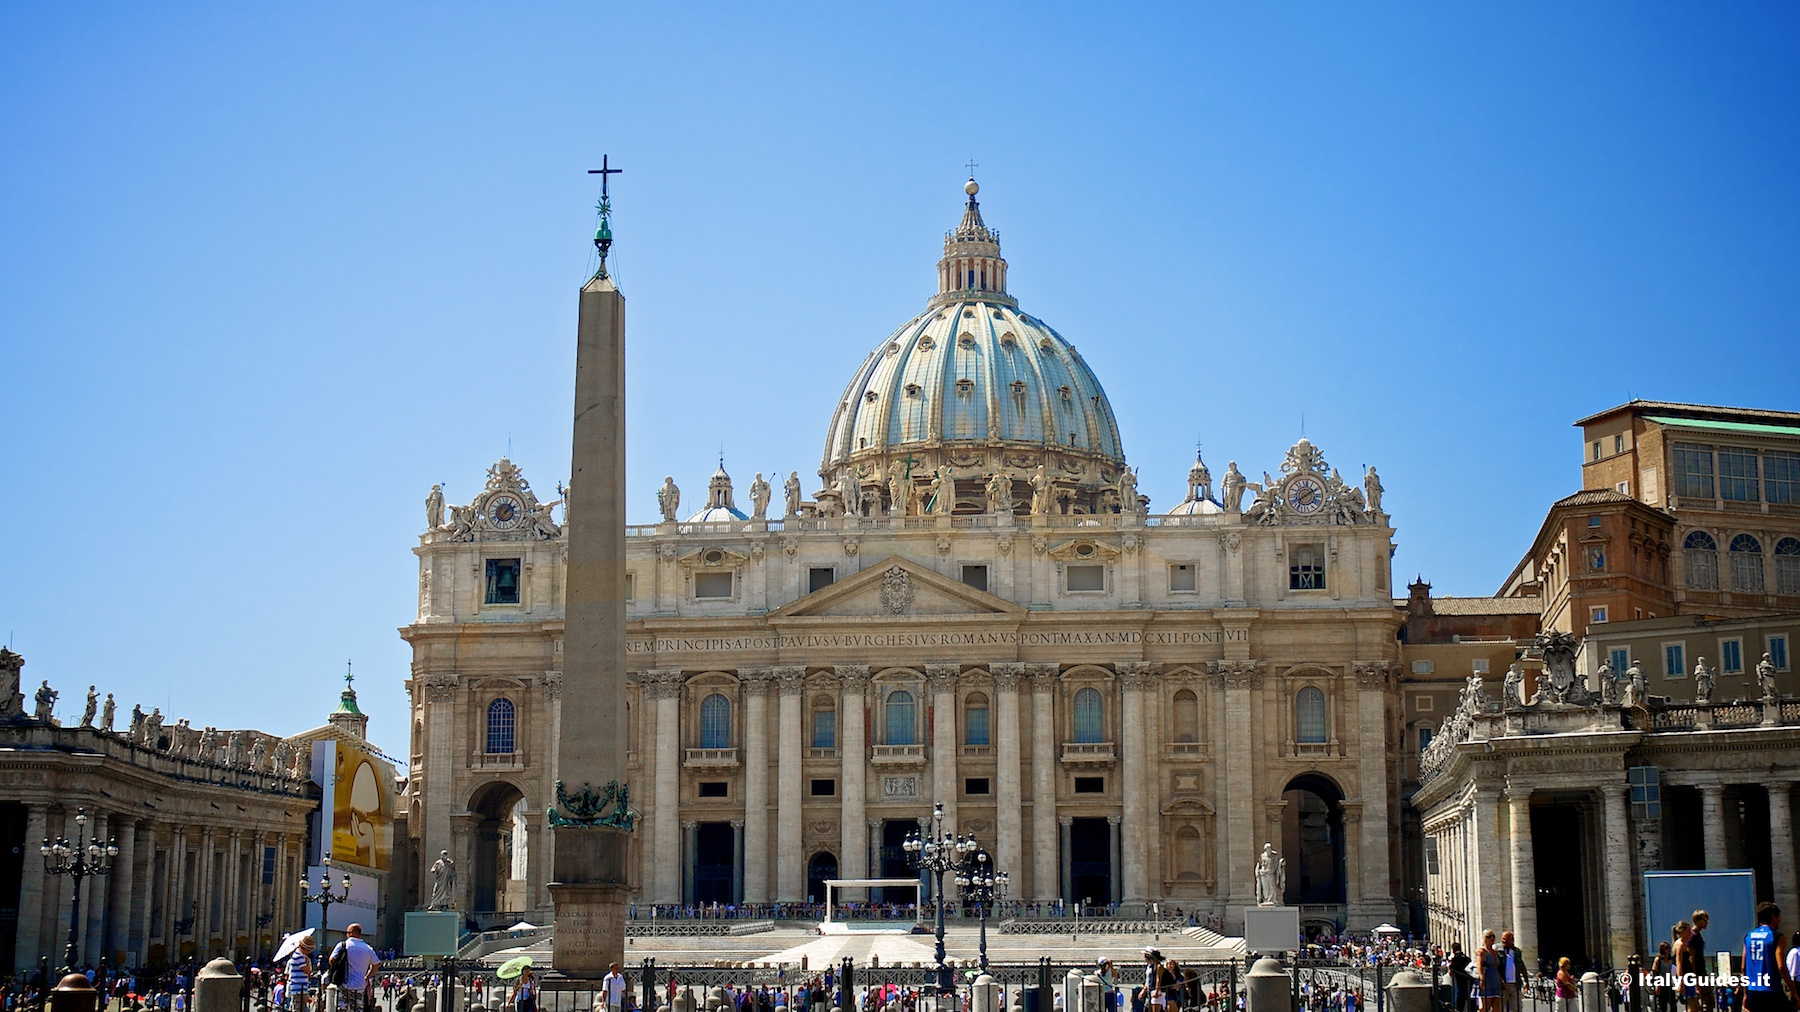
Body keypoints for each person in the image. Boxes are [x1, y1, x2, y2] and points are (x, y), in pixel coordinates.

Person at [1742, 903, 1792, 1012]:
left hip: (1753, 991)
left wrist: (1745, 994)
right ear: (1773, 917)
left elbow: (1743, 967)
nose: (1780, 920)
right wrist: (1793, 991)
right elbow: (1781, 967)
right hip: (1772, 991)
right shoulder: (1777, 936)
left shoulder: (1748, 936)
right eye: (1779, 917)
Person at [329, 923, 380, 1012]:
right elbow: (376, 965)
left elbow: (331, 960)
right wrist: (367, 976)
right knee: (357, 1008)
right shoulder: (367, 948)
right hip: (360, 985)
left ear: (350, 933)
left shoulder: (342, 945)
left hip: (343, 983)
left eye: (347, 932)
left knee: (342, 1008)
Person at [1499, 931, 1529, 1012]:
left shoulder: (1517, 952)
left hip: (1515, 984)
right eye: (1502, 939)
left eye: (1505, 939)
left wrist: (1526, 981)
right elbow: (1496, 967)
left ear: (1512, 940)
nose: (1503, 941)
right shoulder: (1499, 951)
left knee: (1517, 1008)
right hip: (1503, 985)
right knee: (1502, 1008)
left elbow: (1522, 966)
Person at [288, 932, 317, 1012]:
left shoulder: (299, 956)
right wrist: (308, 961)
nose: (309, 952)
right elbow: (308, 971)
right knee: (299, 1009)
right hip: (298, 989)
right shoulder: (299, 957)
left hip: (300, 988)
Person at [1675, 921, 1700, 1012]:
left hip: (1690, 976)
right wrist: (1680, 981)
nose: (1691, 933)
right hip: (1686, 977)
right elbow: (1679, 963)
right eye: (1689, 931)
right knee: (1691, 1003)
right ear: (1683, 932)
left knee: (1695, 1003)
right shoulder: (1680, 945)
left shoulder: (1686, 943)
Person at [1478, 930, 1505, 1012]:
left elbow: (1497, 968)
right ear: (1484, 938)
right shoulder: (1481, 951)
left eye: (1493, 936)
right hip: (1487, 980)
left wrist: (1501, 980)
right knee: (1486, 1006)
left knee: (1497, 1007)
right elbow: (1479, 965)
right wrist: (1482, 978)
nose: (1492, 938)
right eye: (1489, 936)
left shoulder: (1495, 952)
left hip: (1496, 980)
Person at [1448, 942, 1472, 1012]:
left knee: (1459, 997)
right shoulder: (1466, 958)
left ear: (1453, 950)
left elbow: (1451, 971)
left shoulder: (1455, 959)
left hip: (1459, 981)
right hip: (1468, 980)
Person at [1653, 941, 1677, 1012]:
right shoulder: (1658, 959)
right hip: (1662, 984)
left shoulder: (1671, 959)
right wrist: (1657, 985)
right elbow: (1655, 972)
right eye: (1666, 948)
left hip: (1670, 984)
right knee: (1662, 1005)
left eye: (1669, 948)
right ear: (1662, 949)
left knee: (1673, 1005)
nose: (1668, 950)